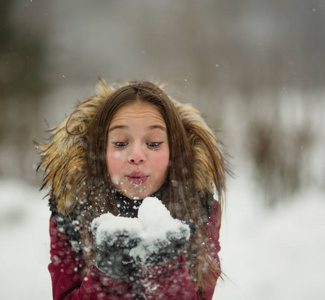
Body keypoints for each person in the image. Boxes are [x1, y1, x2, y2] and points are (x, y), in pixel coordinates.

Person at [38, 80, 228, 299]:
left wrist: (165, 273)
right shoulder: (72, 211)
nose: (136, 155)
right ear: (100, 152)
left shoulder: (199, 208)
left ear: (173, 152)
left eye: (154, 143)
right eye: (120, 143)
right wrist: (108, 277)